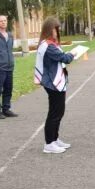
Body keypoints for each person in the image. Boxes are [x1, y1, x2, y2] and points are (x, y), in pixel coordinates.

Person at [34, 16, 77, 154]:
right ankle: (49, 143)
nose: (56, 31)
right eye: (55, 29)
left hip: (54, 81)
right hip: (53, 82)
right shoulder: (48, 46)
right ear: (49, 29)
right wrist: (73, 53)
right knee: (55, 113)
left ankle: (54, 139)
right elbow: (64, 58)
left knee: (58, 112)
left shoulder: (49, 43)